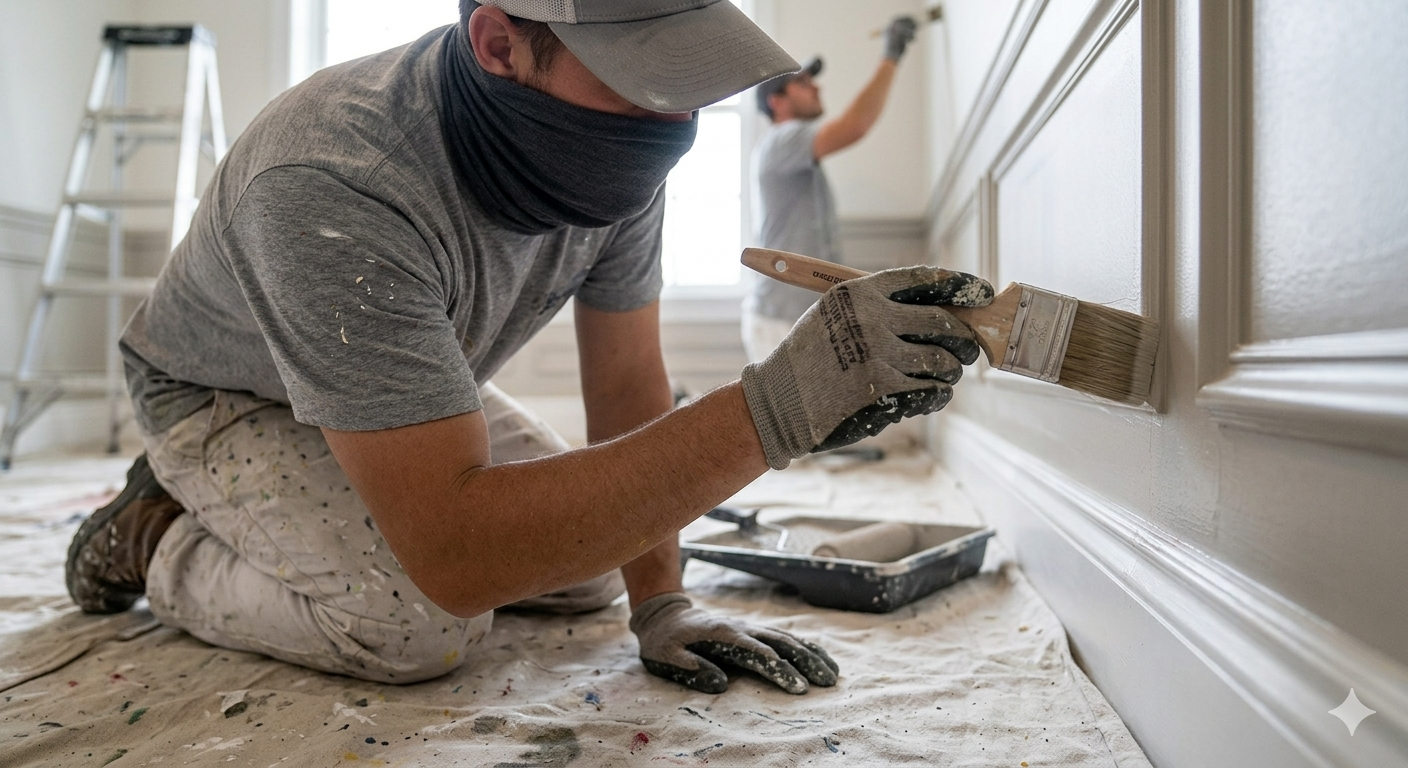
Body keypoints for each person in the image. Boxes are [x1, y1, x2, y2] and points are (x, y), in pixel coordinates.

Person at [65, 0, 991, 695]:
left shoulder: (612, 145)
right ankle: (158, 536)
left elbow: (626, 379)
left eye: (686, 78)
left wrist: (662, 600)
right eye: (639, 74)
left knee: (590, 558)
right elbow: (461, 555)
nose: (670, 123)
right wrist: (776, 409)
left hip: (383, 387)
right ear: (501, 41)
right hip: (226, 393)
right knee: (417, 624)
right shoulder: (332, 180)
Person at [743, 16, 919, 363]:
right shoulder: (782, 141)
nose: (817, 88)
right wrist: (891, 55)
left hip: (788, 317)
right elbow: (855, 125)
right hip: (779, 321)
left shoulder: (790, 150)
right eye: (804, 83)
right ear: (777, 101)